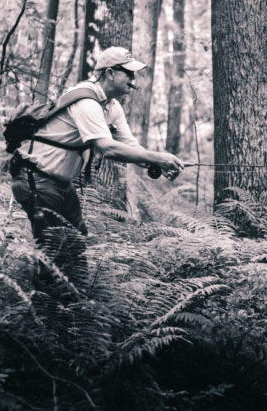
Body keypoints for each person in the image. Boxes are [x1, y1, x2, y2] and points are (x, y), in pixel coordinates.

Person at [10, 46, 184, 292]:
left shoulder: (111, 107)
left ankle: (76, 308)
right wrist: (157, 157)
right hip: (36, 179)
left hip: (60, 184)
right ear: (110, 73)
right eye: (129, 74)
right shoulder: (86, 101)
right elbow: (107, 148)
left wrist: (159, 161)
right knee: (52, 250)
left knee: (76, 243)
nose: (133, 81)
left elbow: (129, 147)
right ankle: (46, 316)